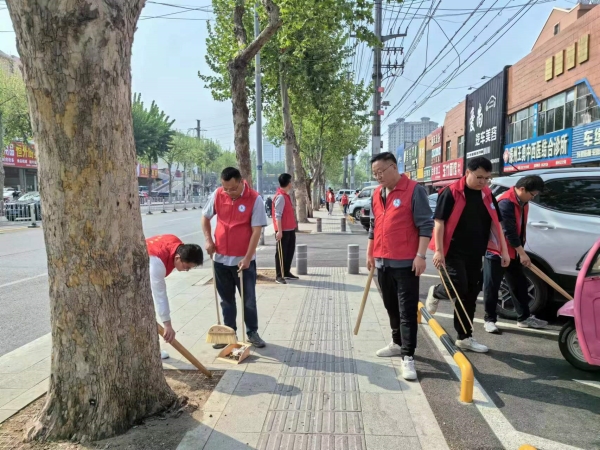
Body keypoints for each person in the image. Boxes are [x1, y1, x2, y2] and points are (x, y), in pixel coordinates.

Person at [426, 156, 510, 353]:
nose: (483, 182)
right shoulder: (451, 192)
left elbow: (496, 224)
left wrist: (504, 251)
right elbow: (439, 222)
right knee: (458, 286)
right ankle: (436, 291)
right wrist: (438, 251)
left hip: (476, 252)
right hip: (452, 250)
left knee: (471, 293)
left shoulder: (487, 195)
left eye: (487, 178)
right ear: (468, 173)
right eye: (479, 177)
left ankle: (464, 337)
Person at [367, 152, 433, 380]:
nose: (378, 177)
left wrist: (421, 255)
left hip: (406, 264)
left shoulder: (414, 190)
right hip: (383, 261)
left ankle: (408, 357)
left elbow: (426, 225)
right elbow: (374, 226)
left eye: (381, 172)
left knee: (407, 311)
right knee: (390, 306)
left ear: (393, 167)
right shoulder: (377, 194)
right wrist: (370, 254)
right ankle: (396, 342)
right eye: (375, 173)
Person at [201, 167, 267, 349]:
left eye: (232, 188)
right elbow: (205, 218)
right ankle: (229, 333)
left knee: (248, 299)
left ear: (241, 181)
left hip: (243, 261)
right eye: (225, 188)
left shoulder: (255, 199)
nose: (228, 192)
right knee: (226, 299)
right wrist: (208, 241)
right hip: (220, 258)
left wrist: (247, 258)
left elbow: (256, 232)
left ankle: (252, 332)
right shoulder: (217, 194)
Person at [483, 175, 548, 333]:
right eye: (532, 194)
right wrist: (523, 253)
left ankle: (524, 318)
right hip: (497, 251)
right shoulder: (506, 202)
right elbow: (509, 232)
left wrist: (519, 252)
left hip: (512, 251)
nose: (533, 198)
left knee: (519, 284)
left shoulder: (523, 201)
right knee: (492, 286)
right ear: (522, 189)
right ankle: (489, 320)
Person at [147, 234, 204, 359]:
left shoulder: (176, 244)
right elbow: (160, 295)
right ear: (178, 258)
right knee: (145, 312)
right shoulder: (157, 263)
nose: (187, 270)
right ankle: (152, 351)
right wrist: (167, 325)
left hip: (145, 267)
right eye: (186, 267)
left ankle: (153, 350)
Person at [273, 173, 299, 284]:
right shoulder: (280, 197)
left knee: (289, 251)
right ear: (288, 183)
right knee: (281, 253)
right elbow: (277, 215)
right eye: (291, 182)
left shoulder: (285, 195)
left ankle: (286, 272)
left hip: (290, 229)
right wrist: (279, 231)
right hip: (283, 230)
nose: (291, 184)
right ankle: (279, 275)